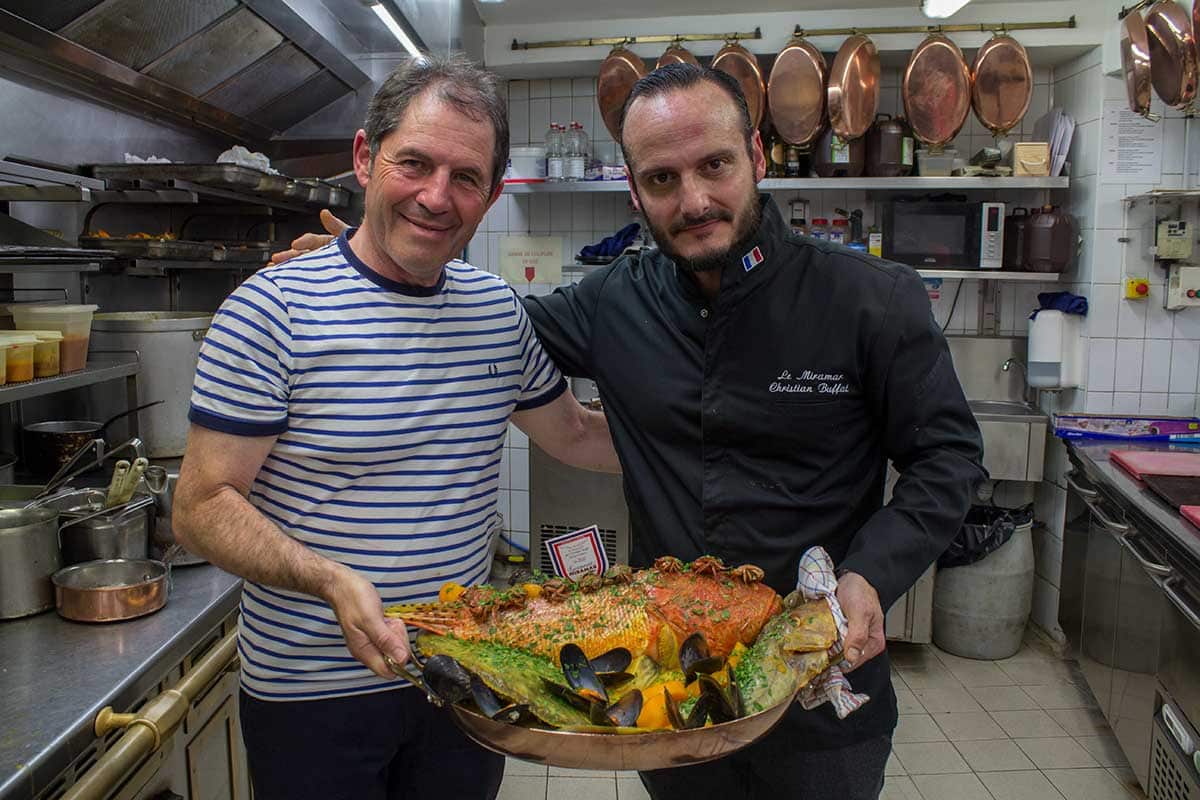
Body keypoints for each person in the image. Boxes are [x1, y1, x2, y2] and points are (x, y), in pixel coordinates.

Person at [280, 64, 985, 800]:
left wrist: (870, 574)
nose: (695, 200)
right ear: (633, 188)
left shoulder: (870, 299)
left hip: (818, 688)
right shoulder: (613, 301)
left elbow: (948, 458)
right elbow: (472, 327)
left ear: (757, 154)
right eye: (661, 179)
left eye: (715, 165)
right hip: (665, 697)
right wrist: (358, 276)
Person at [173, 54, 621, 800]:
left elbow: (573, 433)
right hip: (310, 695)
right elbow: (199, 505)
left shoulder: (496, 314)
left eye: (466, 177)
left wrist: (719, 447)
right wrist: (327, 579)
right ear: (364, 158)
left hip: (460, 678)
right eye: (414, 163)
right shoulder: (270, 309)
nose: (436, 197)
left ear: (491, 192)